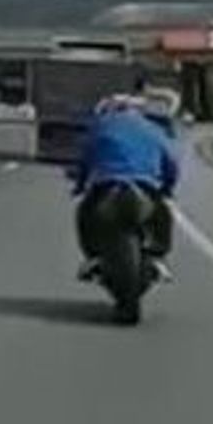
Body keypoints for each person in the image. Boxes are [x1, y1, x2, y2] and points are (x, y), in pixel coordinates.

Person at [73, 91, 181, 283]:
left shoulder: (100, 127)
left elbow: (85, 159)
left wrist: (79, 186)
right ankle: (158, 256)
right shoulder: (153, 129)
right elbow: (171, 162)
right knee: (163, 213)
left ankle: (93, 257)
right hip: (145, 185)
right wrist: (168, 187)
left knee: (85, 212)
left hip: (107, 184)